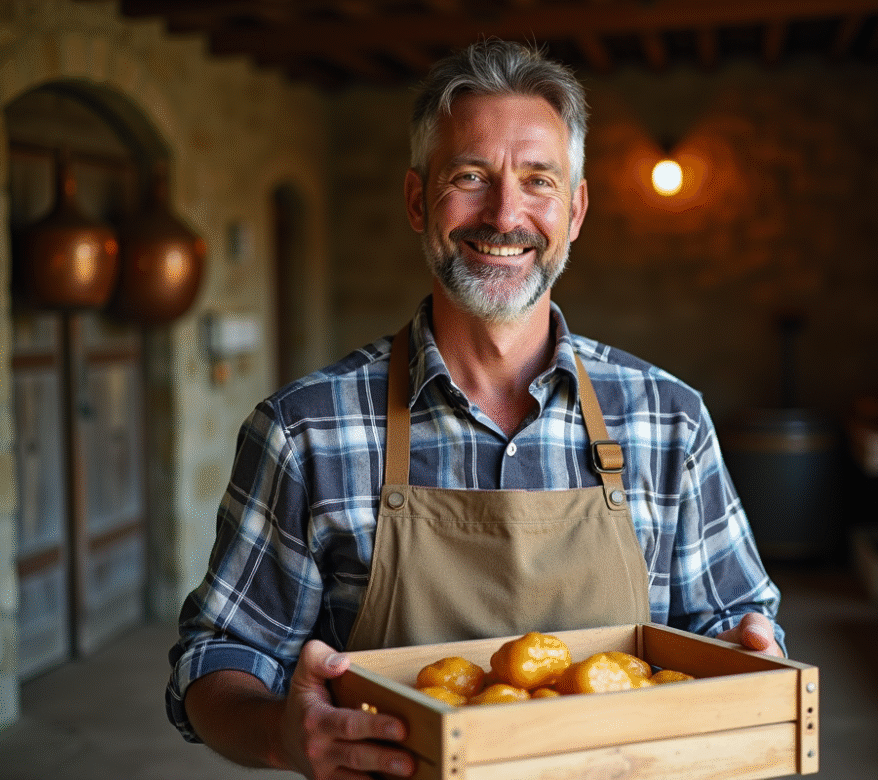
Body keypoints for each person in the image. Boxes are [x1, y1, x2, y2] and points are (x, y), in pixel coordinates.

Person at [166, 39, 784, 779]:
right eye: (470, 176)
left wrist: (750, 655)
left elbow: (729, 624)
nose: (504, 214)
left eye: (538, 181)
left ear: (576, 210)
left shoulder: (669, 421)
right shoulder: (304, 430)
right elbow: (218, 654)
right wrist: (280, 735)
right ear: (417, 200)